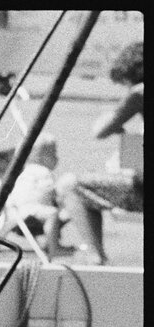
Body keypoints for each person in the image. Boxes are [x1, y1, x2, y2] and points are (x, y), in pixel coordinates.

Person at [59, 41, 143, 266]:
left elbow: (99, 131)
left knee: (72, 187)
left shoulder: (140, 92)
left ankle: (97, 256)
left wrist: (118, 117)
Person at [2, 133, 66, 257]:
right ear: (41, 157)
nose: (57, 158)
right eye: (53, 154)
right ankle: (53, 248)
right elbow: (50, 191)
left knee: (6, 224)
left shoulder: (24, 172)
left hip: (15, 212)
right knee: (56, 213)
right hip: (34, 211)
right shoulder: (44, 172)